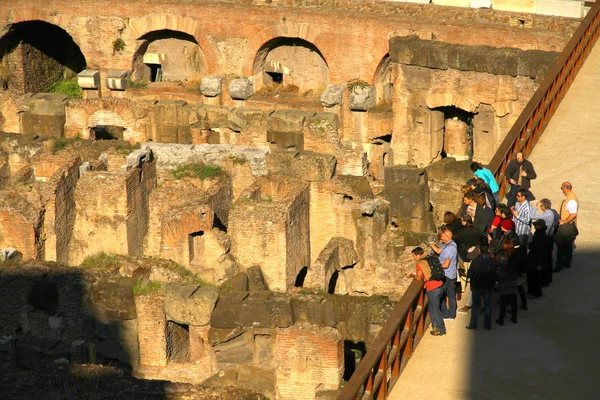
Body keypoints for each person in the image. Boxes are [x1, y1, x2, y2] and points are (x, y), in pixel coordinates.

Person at [408, 247, 446, 336]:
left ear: (417, 255)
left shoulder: (420, 263)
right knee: (432, 308)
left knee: (435, 310)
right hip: (440, 285)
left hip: (432, 288)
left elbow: (418, 277)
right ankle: (435, 327)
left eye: (414, 256)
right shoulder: (431, 258)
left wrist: (411, 275)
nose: (414, 258)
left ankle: (441, 330)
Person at [466, 238, 497, 330]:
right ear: (488, 250)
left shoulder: (475, 261)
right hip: (488, 285)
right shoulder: (492, 261)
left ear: (479, 250)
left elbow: (470, 274)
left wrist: (471, 284)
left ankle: (473, 324)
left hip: (477, 285)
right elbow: (495, 272)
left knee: (475, 306)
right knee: (487, 305)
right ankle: (487, 325)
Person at [429, 227, 458, 320]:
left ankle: (444, 313)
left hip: (447, 275)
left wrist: (435, 268)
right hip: (451, 274)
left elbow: (446, 264)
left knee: (440, 294)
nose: (440, 237)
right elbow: (438, 251)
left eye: (442, 235)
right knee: (451, 295)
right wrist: (431, 243)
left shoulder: (450, 248)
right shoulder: (449, 244)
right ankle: (452, 314)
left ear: (447, 236)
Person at [455, 215, 482, 315]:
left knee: (463, 273)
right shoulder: (477, 230)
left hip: (464, 253)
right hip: (474, 253)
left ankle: (462, 288)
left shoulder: (461, 232)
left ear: (465, 221)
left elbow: (458, 242)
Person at [532, 198, 558, 284]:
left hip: (545, 239)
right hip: (550, 237)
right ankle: (548, 277)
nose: (540, 207)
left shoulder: (546, 214)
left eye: (540, 206)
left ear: (543, 206)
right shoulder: (551, 212)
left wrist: (535, 207)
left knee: (544, 259)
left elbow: (531, 216)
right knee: (548, 258)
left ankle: (545, 278)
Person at [554, 182, 579, 271]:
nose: (561, 189)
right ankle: (567, 262)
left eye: (561, 188)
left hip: (566, 227)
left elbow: (573, 214)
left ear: (566, 188)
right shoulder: (569, 197)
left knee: (561, 245)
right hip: (568, 226)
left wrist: (564, 221)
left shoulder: (571, 200)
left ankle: (559, 265)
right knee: (568, 245)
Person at [495, 240, 519, 326]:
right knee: (514, 299)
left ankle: (501, 319)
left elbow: (496, 265)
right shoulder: (515, 255)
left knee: (503, 302)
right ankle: (514, 317)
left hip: (504, 281)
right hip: (513, 279)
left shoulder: (502, 256)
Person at [527, 220, 547, 299]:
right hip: (534, 257)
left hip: (536, 259)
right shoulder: (539, 233)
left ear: (540, 226)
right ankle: (531, 291)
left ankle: (535, 293)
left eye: (536, 225)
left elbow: (539, 249)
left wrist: (531, 246)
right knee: (533, 276)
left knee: (535, 277)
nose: (535, 226)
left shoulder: (540, 235)